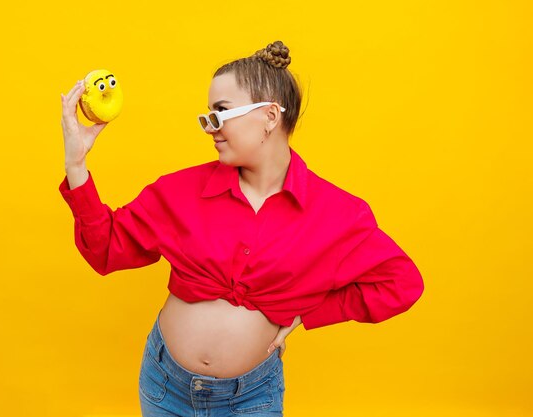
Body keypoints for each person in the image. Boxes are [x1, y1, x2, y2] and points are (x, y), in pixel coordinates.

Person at [59, 40, 424, 417]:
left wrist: (311, 313)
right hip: (164, 385)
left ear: (269, 116)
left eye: (220, 113)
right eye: (207, 116)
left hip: (251, 398)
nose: (209, 128)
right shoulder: (179, 190)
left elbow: (401, 283)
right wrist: (77, 165)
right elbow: (105, 249)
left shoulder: (338, 214)